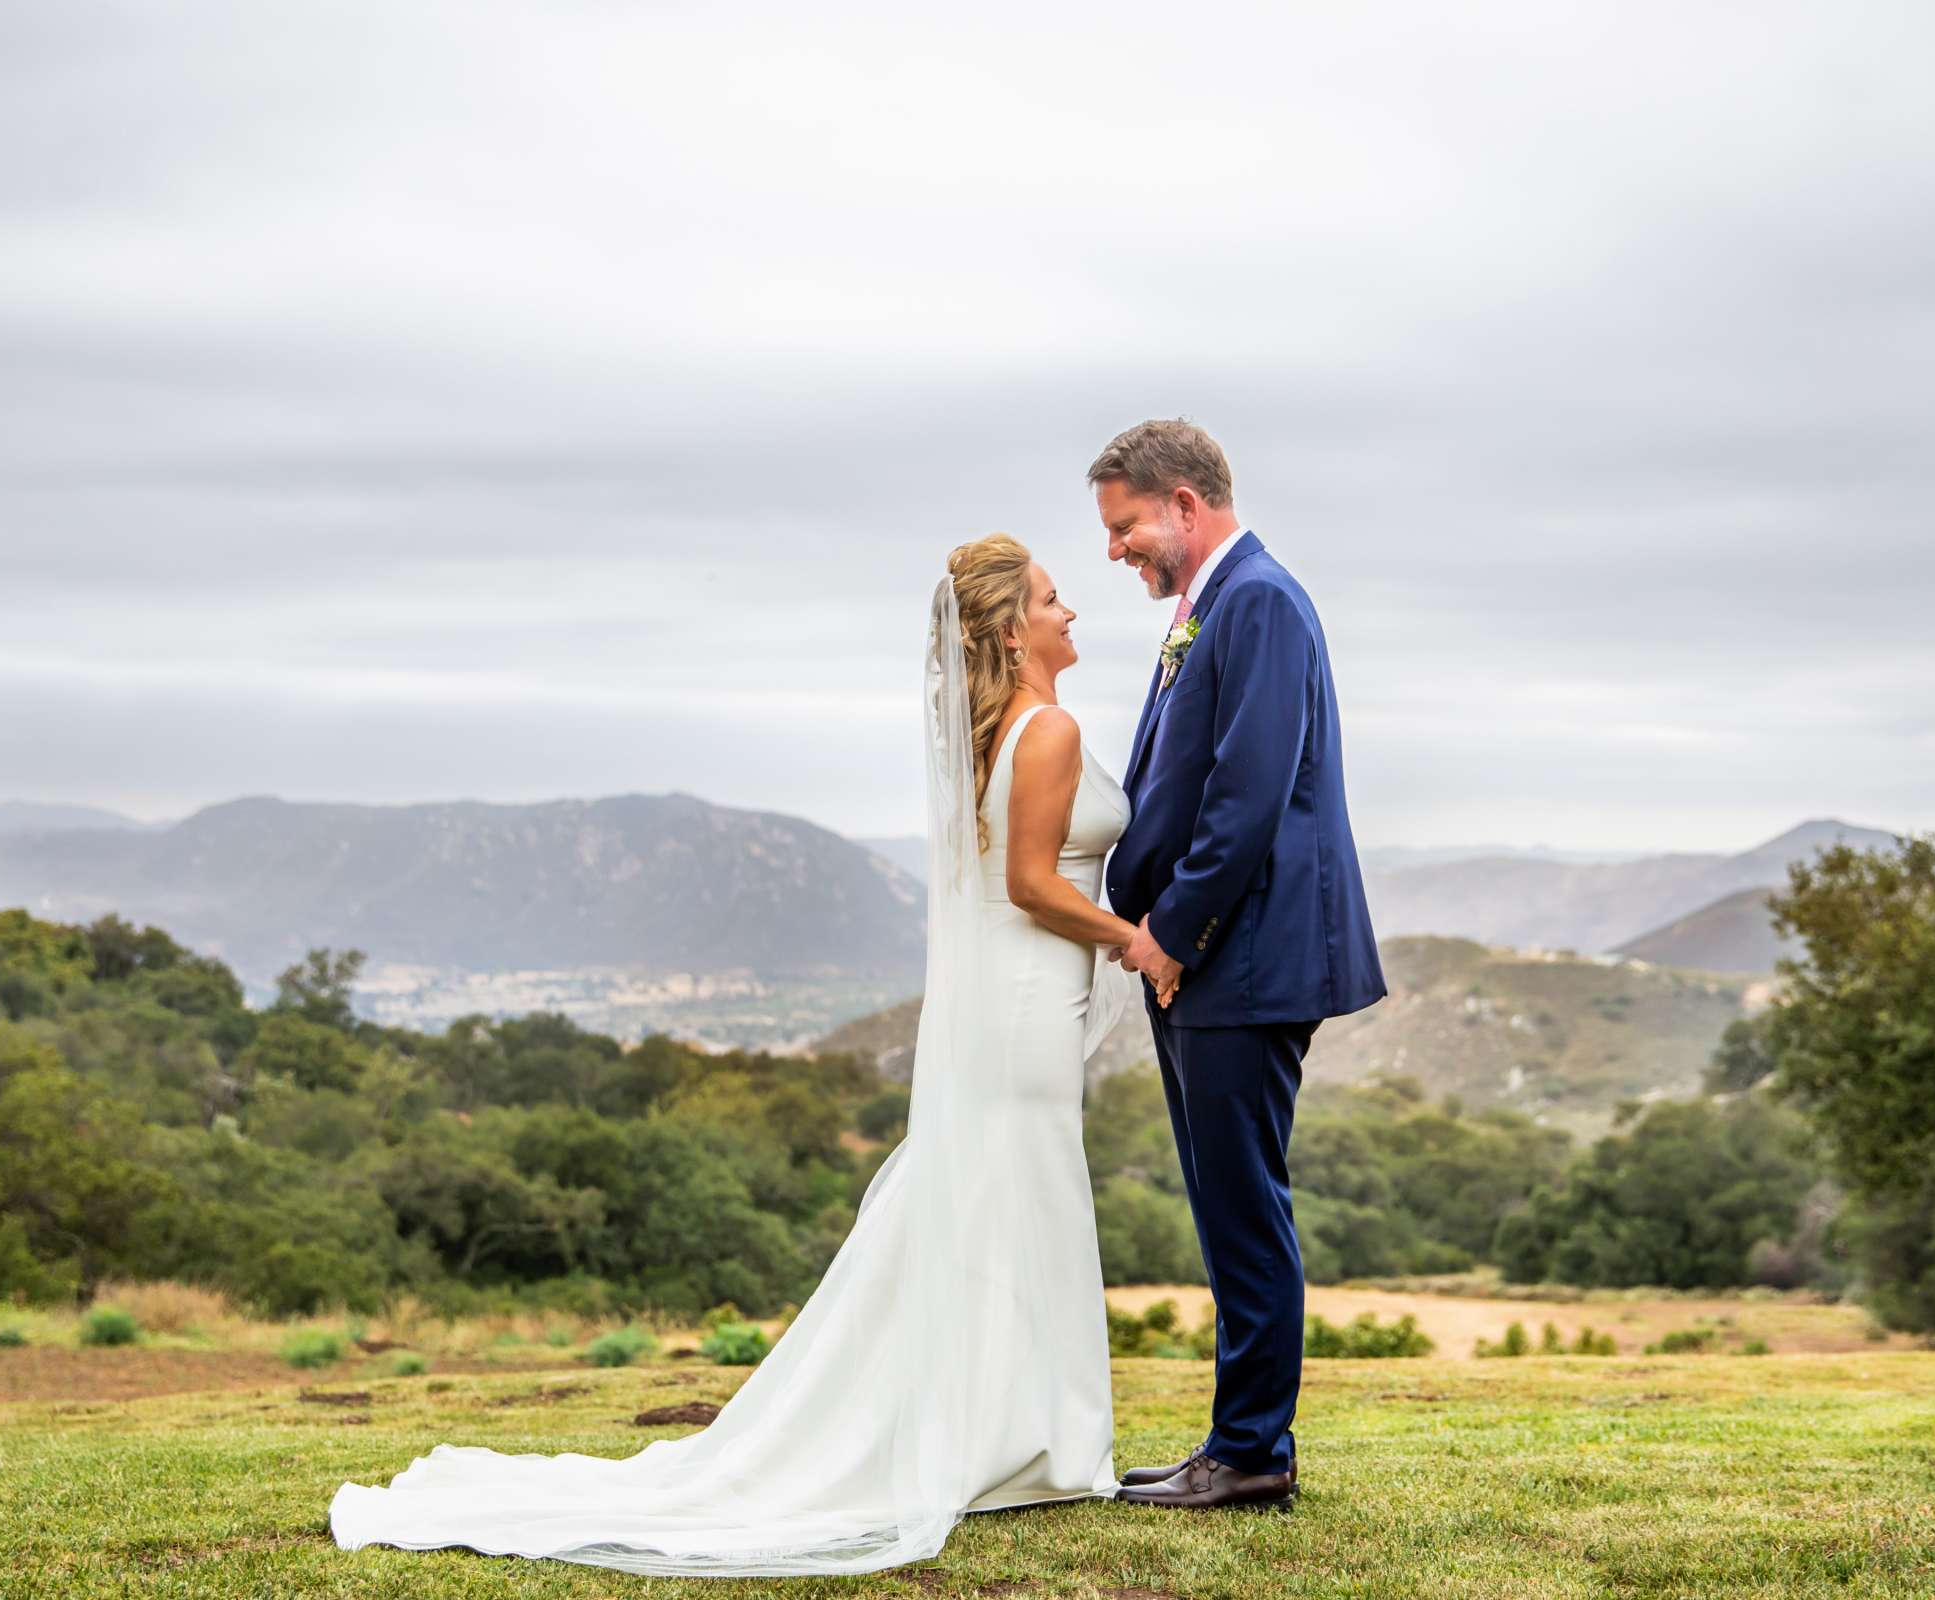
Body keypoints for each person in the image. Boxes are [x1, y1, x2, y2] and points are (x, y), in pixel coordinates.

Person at [326, 533, 1143, 1577]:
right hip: (1025, 993)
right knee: (1019, 1190)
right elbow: (1032, 882)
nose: (1070, 612)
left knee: (1001, 1195)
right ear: (1006, 626)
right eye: (1052, 598)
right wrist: (1134, 937)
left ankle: (1012, 1432)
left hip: (1010, 994)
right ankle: (1027, 1440)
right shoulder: (1050, 729)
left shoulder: (997, 734)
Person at [1092, 418, 1388, 1511]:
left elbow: (1247, 795)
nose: (1116, 549)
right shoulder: (1216, 603)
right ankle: (1235, 1435)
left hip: (1241, 957)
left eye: (1125, 528)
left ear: (1183, 503)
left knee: (1243, 1206)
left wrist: (1172, 934)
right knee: (1225, 1203)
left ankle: (1255, 1449)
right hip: (1221, 956)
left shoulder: (1255, 598)